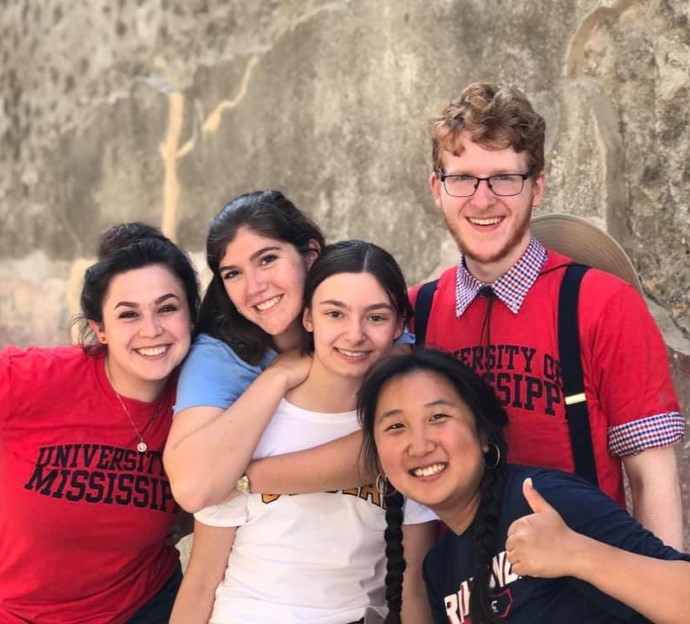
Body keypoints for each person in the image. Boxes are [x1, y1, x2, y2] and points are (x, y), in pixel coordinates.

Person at [412, 82, 684, 548]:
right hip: (457, 602)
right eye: (462, 178)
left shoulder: (602, 303)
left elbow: (652, 479)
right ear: (438, 189)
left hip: (581, 598)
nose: (482, 199)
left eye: (504, 177)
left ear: (535, 187)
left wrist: (664, 600)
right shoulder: (414, 311)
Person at [170, 240, 436, 623]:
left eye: (375, 318)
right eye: (335, 314)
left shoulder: (405, 432)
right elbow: (201, 581)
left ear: (398, 326)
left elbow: (414, 584)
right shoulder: (255, 422)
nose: (354, 334)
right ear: (307, 318)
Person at [358, 348, 690, 624]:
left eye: (438, 418)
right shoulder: (440, 568)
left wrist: (578, 554)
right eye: (396, 426)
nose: (419, 445)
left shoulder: (543, 499)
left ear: (484, 434)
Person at [0, 223, 200, 623]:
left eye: (167, 308)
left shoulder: (201, 396)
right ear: (100, 329)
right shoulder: (32, 379)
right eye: (129, 314)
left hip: (143, 607)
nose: (152, 330)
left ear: (191, 317)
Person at [164, 191, 370, 512]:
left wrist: (242, 477)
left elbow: (391, 448)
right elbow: (192, 488)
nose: (254, 286)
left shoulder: (362, 322)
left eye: (267, 259)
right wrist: (279, 375)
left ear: (311, 254)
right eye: (233, 273)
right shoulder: (220, 353)